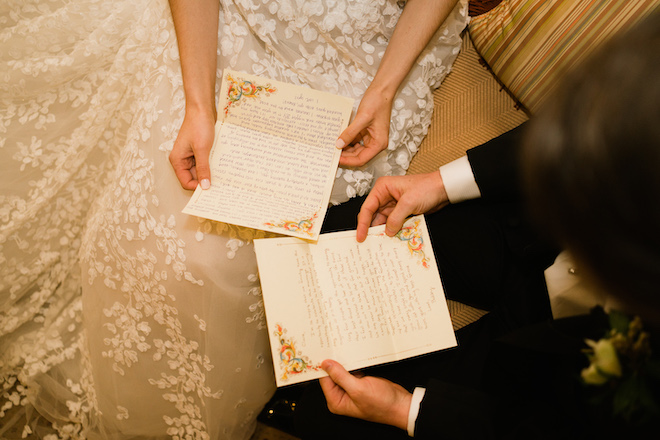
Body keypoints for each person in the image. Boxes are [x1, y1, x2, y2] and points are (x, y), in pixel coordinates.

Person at [0, 1, 469, 438]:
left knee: (227, 261)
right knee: (144, 232)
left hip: (369, 52)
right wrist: (198, 106)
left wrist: (384, 91)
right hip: (232, 21)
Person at [294, 10, 660, 439]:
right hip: (527, 235)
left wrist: (406, 410)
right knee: (335, 232)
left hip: (561, 362)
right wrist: (440, 183)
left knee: (334, 412)